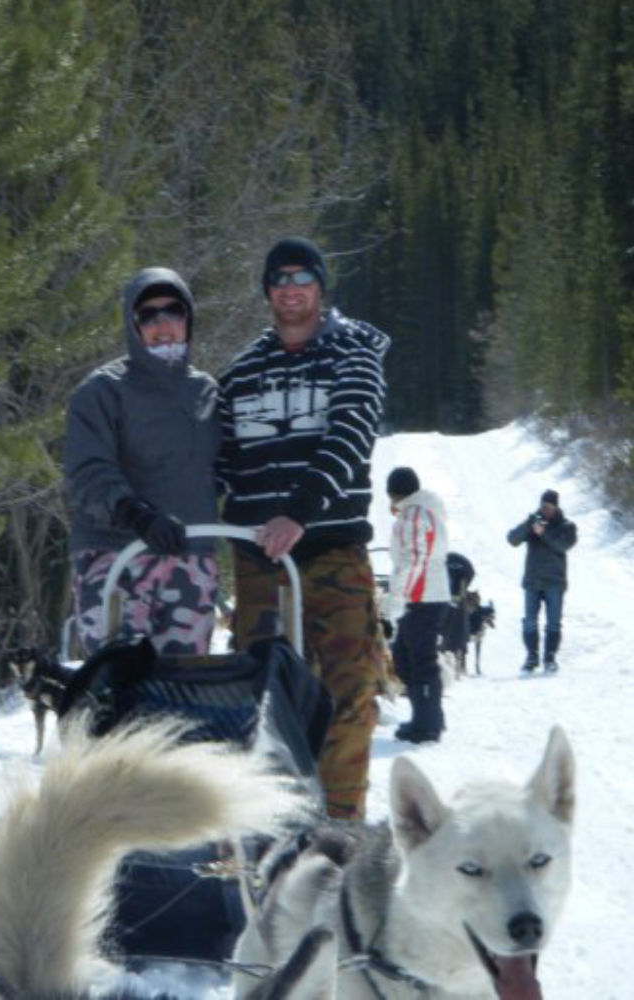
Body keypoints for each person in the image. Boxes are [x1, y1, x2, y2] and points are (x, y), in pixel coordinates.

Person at [217, 236, 390, 820]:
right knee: (257, 700)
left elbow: (349, 438)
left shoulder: (353, 355)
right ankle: (269, 827)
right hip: (261, 563)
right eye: (279, 280)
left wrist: (300, 511)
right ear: (267, 291)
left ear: (320, 287)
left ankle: (342, 831)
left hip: (331, 552)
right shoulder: (240, 374)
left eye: (302, 279)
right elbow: (217, 461)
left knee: (350, 692)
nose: (291, 290)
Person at [63, 266, 220, 657]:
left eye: (173, 311)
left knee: (182, 689)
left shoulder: (209, 393)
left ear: (189, 318)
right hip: (116, 555)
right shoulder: (103, 391)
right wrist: (137, 514)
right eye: (148, 315)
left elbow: (233, 468)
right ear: (132, 324)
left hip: (189, 560)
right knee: (123, 682)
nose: (162, 324)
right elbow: (88, 472)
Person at [385, 466, 451, 743]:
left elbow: (413, 559)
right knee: (405, 657)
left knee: (417, 660)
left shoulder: (413, 515)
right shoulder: (426, 510)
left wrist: (397, 599)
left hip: (421, 596)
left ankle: (427, 725)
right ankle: (427, 717)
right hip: (428, 594)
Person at [507, 488, 578, 672]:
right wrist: (528, 526)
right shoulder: (533, 522)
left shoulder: (566, 526)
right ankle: (532, 656)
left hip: (555, 582)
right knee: (530, 621)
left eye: (549, 506)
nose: (545, 509)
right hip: (532, 581)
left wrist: (543, 533)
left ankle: (550, 658)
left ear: (556, 507)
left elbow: (563, 545)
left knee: (553, 622)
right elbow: (512, 539)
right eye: (543, 506)